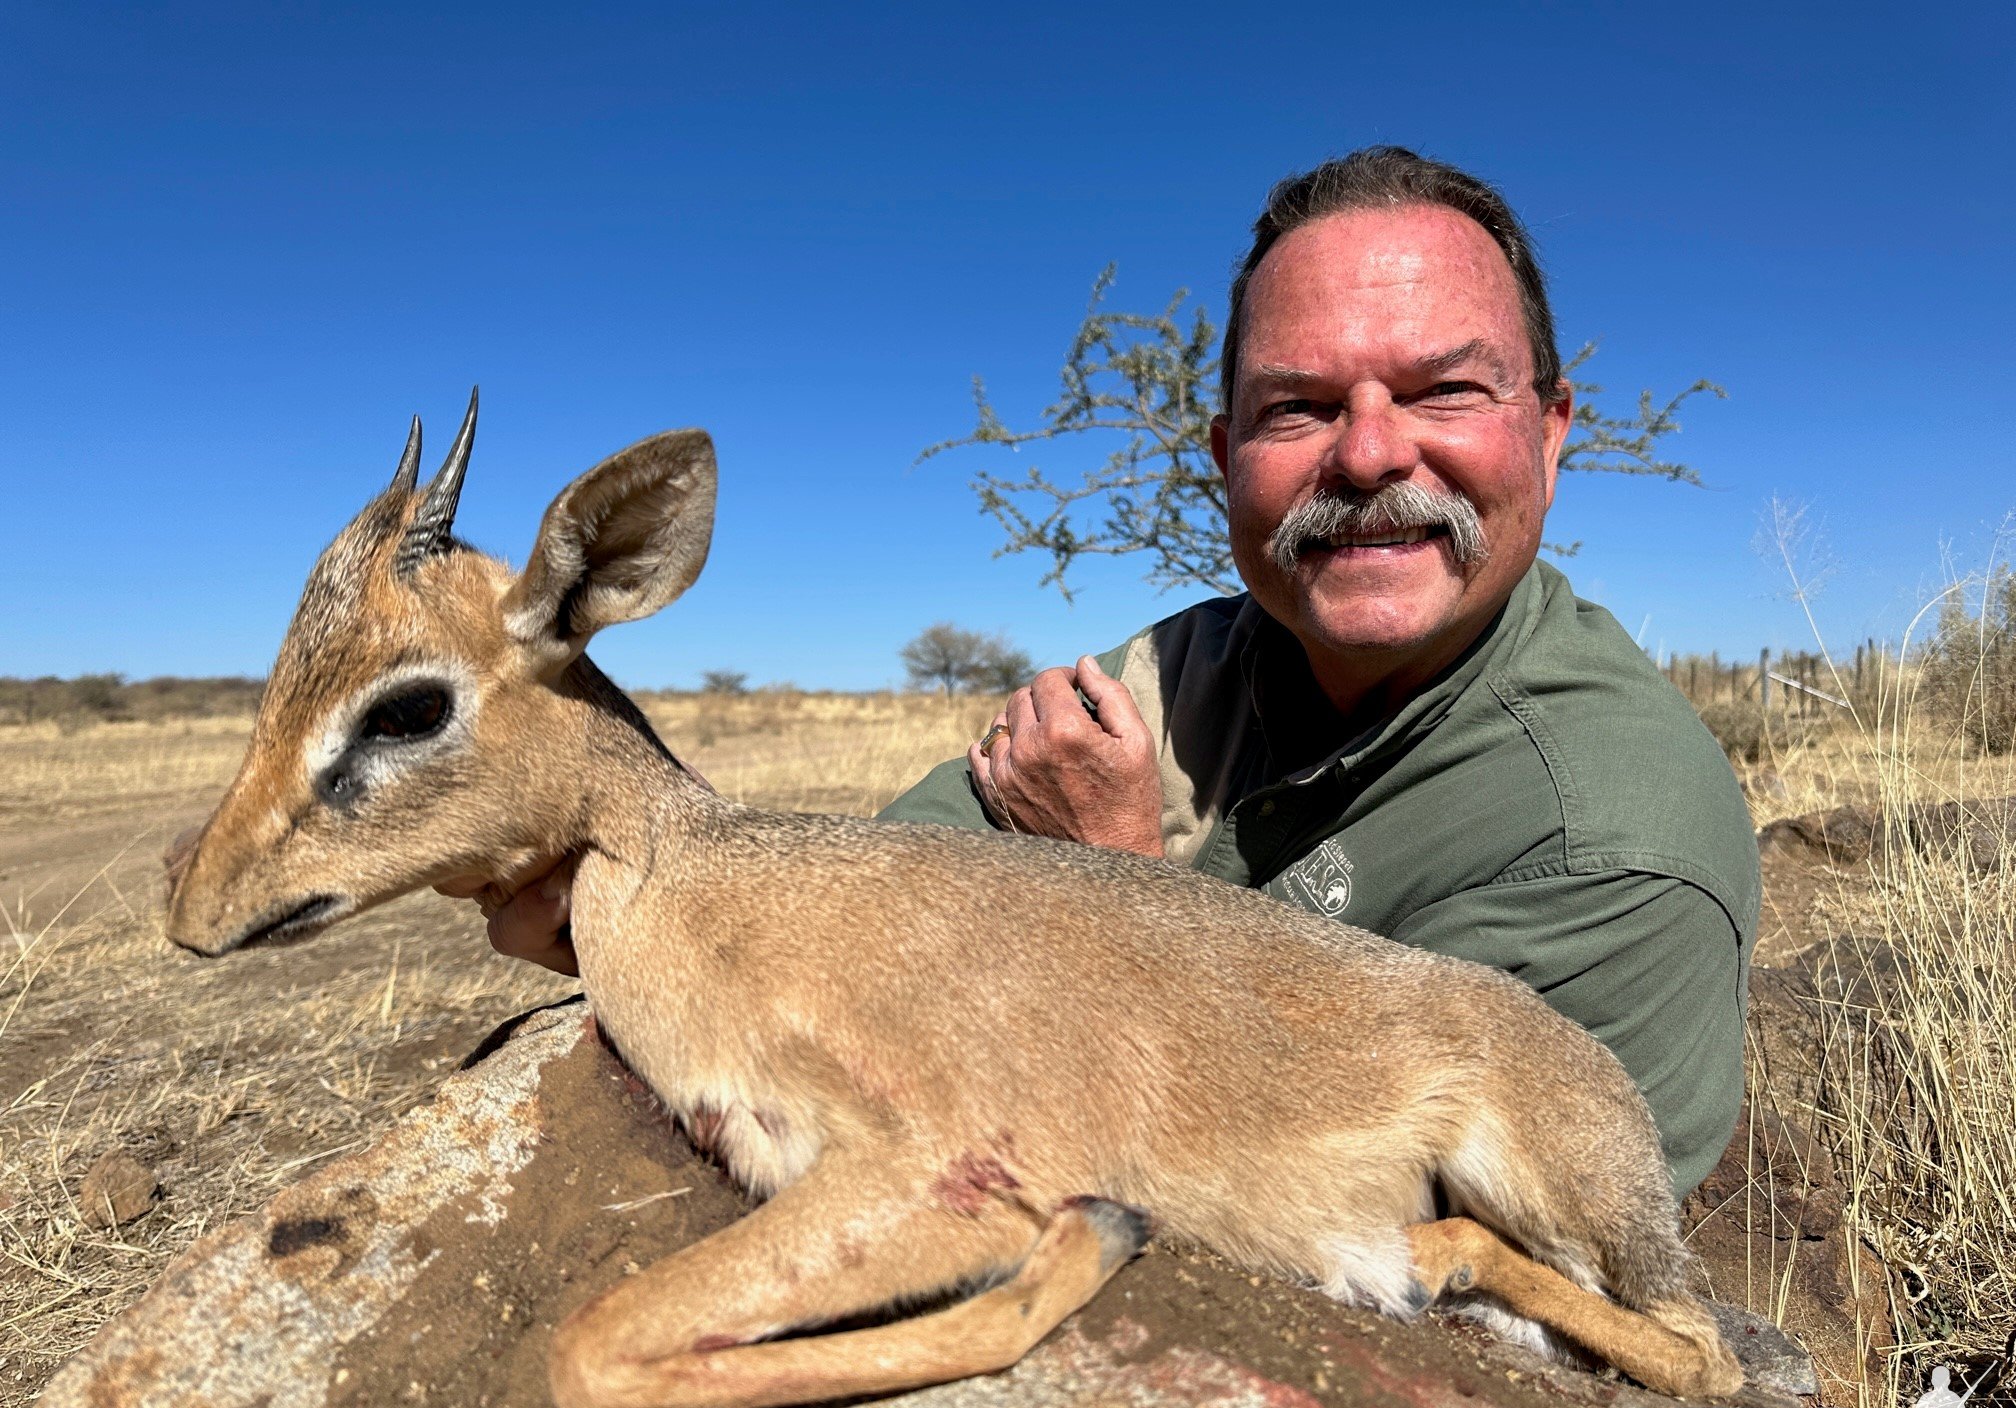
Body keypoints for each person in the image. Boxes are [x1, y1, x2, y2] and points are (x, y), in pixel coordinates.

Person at [471, 147, 1758, 1198]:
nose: (1369, 456)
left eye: (1444, 391)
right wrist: (650, 902)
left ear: (1551, 426)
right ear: (1223, 452)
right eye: (1297, 407)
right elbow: (868, 913)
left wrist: (1111, 884)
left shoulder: (1613, 837)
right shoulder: (1189, 662)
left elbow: (1407, 1258)